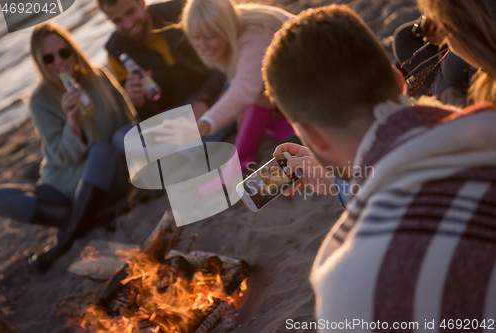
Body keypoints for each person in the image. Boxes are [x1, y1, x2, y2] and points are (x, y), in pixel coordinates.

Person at [263, 4, 496, 329]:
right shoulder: (483, 130)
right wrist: (337, 180)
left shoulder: (345, 286)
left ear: (313, 137)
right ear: (399, 81)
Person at [0, 22, 137, 273]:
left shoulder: (100, 77)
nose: (59, 62)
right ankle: (83, 219)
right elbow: (61, 156)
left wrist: (138, 100)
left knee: (102, 150)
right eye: (48, 58)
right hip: (63, 187)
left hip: (106, 179)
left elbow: (128, 129)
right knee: (0, 198)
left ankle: (66, 239)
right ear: (40, 64)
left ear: (73, 50)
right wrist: (71, 121)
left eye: (64, 53)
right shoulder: (40, 100)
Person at [172, 0, 295, 194]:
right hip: (299, 89)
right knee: (255, 106)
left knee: (296, 153)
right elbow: (249, 82)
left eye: (211, 36)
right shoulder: (240, 17)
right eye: (196, 37)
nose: (203, 45)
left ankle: (249, 173)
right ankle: (240, 164)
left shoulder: (255, 33)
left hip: (323, 92)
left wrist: (202, 125)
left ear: (225, 26)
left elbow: (244, 89)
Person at [98, 0, 227, 121]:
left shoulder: (182, 11)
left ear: (142, 2)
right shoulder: (115, 53)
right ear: (109, 20)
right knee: (120, 138)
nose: (129, 24)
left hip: (215, 88)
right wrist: (138, 103)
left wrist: (203, 97)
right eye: (117, 20)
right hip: (174, 114)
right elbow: (150, 117)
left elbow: (224, 59)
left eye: (130, 12)